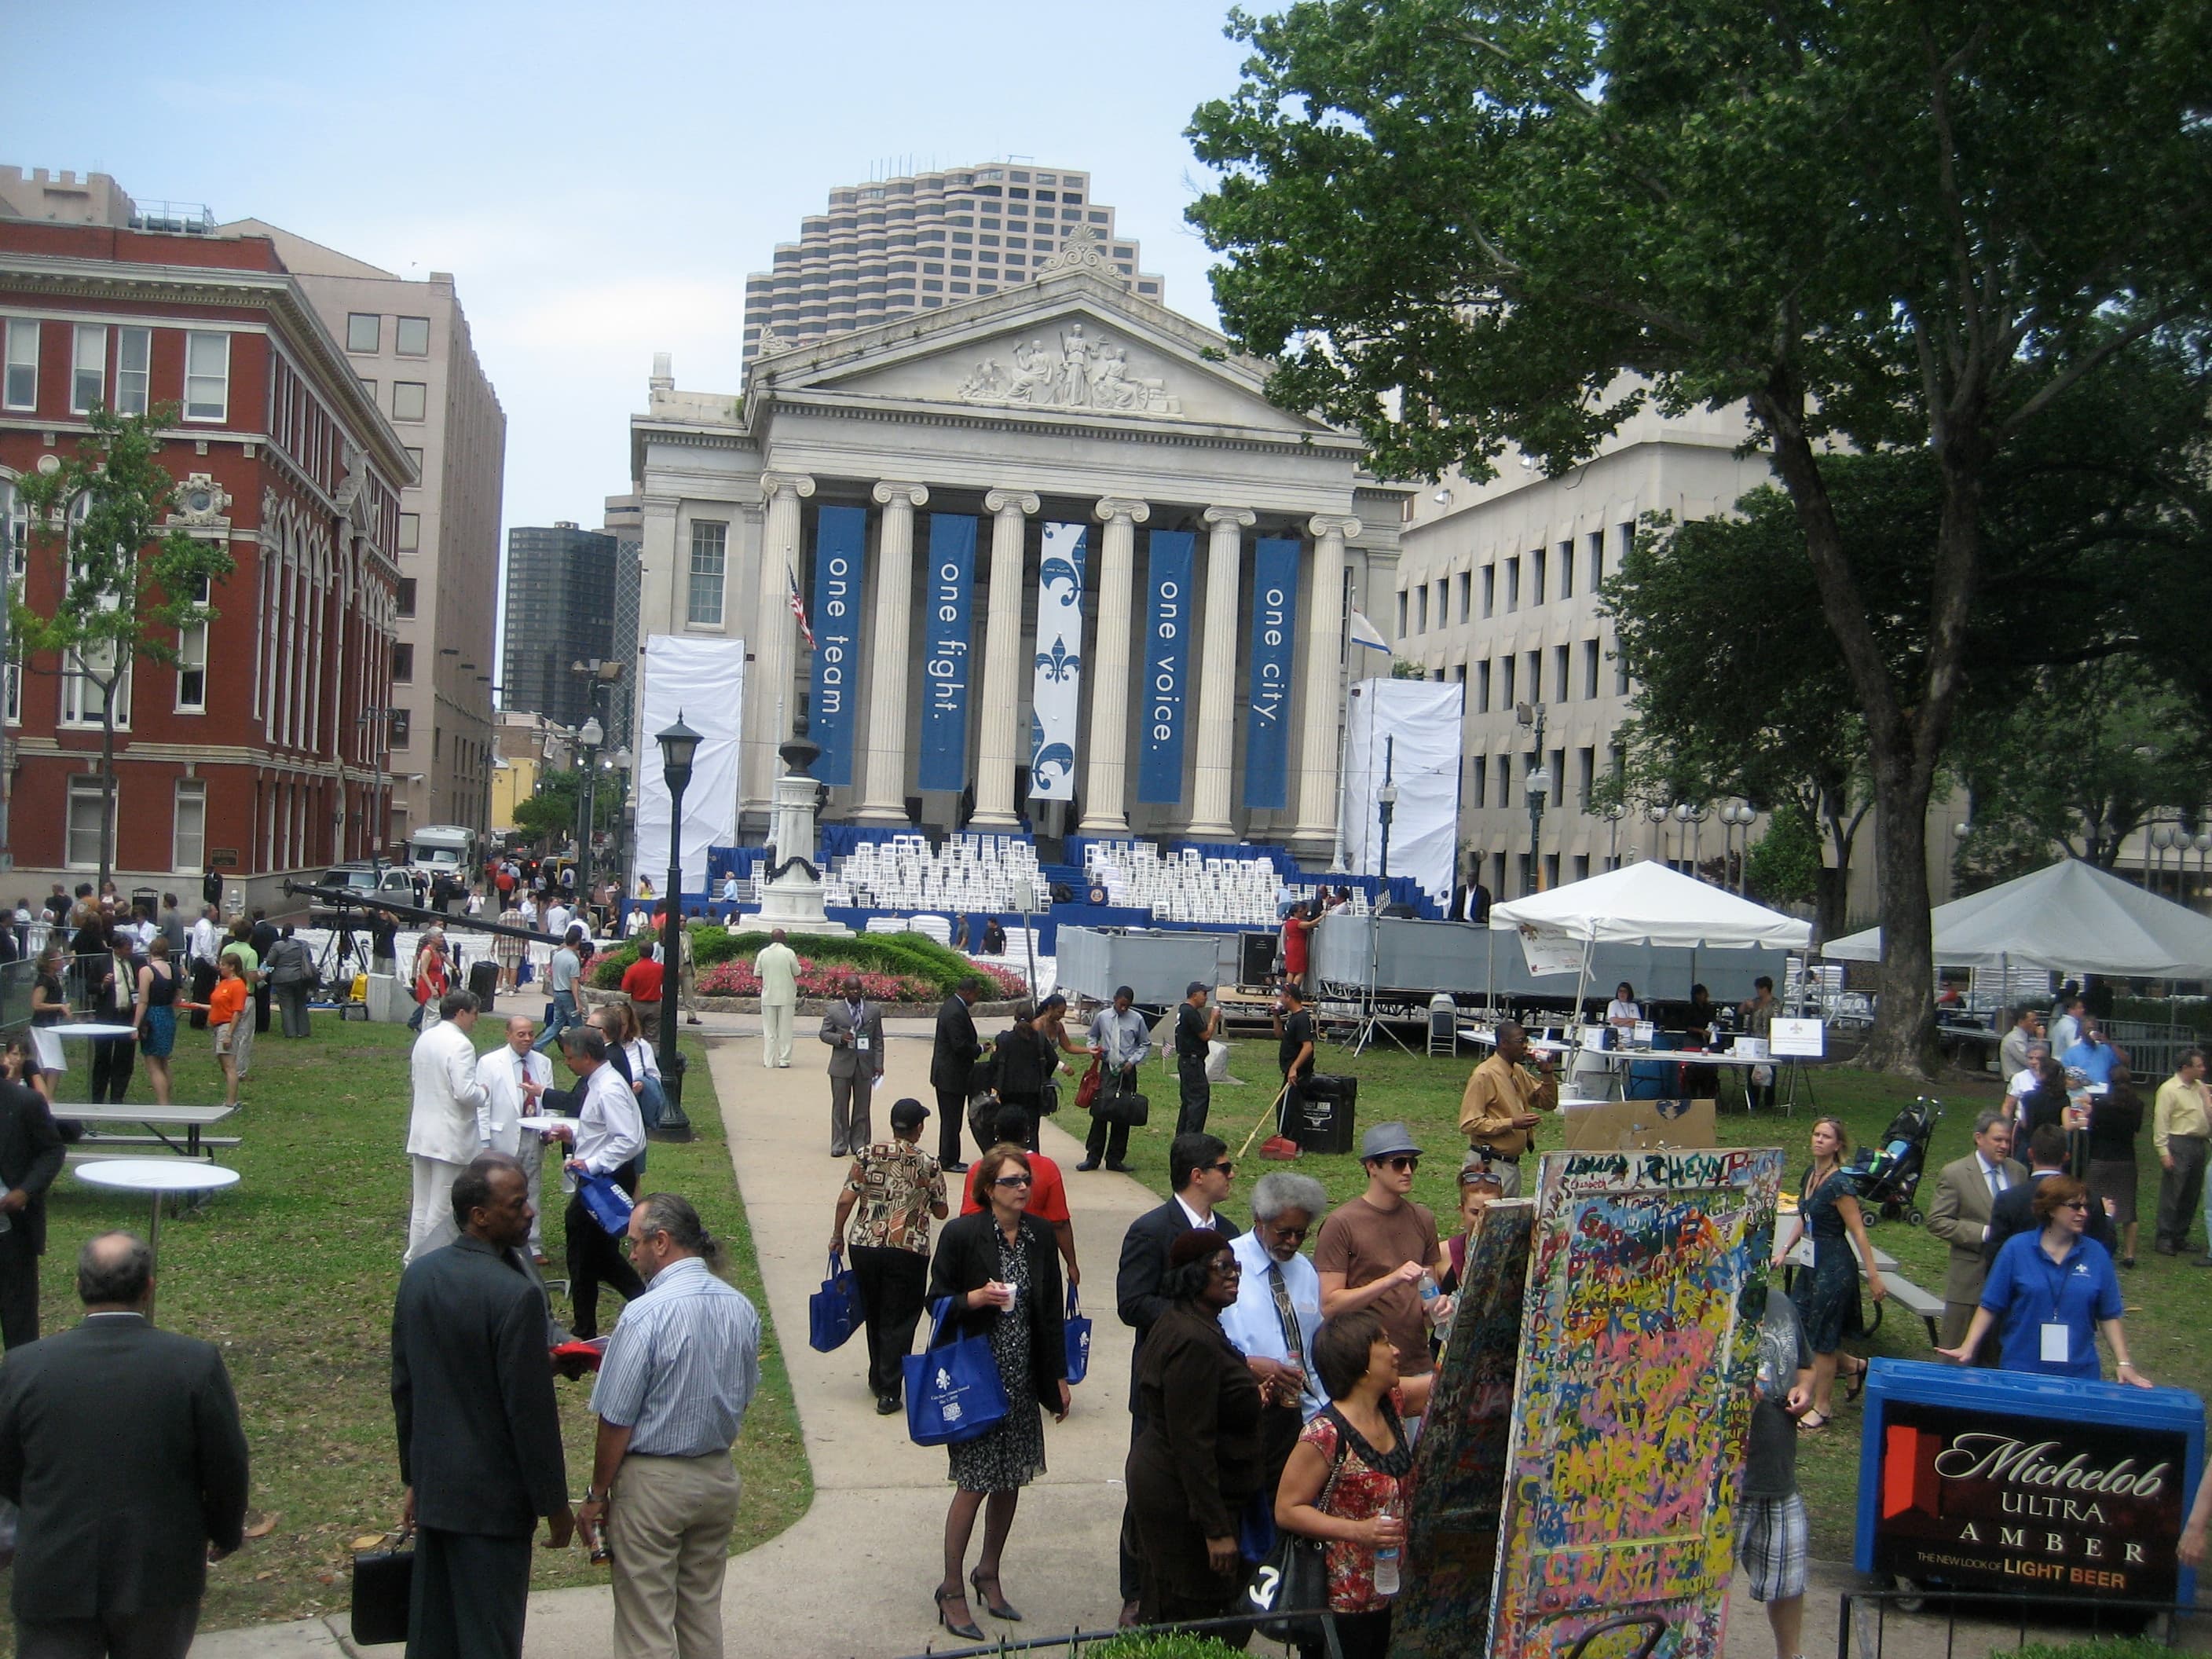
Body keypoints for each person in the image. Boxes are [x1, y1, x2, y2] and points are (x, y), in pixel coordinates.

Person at [0, 1232, 249, 1659]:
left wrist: (42, 1507)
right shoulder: (194, 1363)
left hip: (54, 1572)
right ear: (149, 1288)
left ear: (78, 1287)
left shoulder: (24, 1366)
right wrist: (225, 1531)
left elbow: (6, 1465)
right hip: (156, 1576)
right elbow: (226, 1464)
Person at [390, 1155, 575, 1659]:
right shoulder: (515, 1296)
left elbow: (405, 1389)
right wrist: (555, 1506)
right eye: (516, 1205)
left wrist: (415, 1479)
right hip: (494, 1511)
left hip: (437, 1497)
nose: (530, 1212)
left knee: (435, 1640)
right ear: (480, 1216)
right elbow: (530, 1416)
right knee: (489, 1642)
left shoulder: (419, 1277)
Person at [579, 1193, 760, 1659]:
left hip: (654, 1486)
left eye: (634, 1243)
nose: (631, 1255)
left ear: (661, 1242)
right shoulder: (740, 1307)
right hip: (717, 1477)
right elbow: (744, 1393)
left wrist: (597, 1495)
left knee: (646, 1626)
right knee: (701, 1615)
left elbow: (616, 1419)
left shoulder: (646, 1313)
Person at [925, 1146, 1071, 1643]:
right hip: (976, 1378)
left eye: (1026, 1180)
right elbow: (935, 1301)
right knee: (973, 1482)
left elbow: (1049, 1310)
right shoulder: (962, 1234)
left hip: (1022, 1378)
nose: (1023, 1188)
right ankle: (951, 1588)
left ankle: (988, 1572)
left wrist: (1058, 1378)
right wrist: (974, 1298)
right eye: (1011, 1181)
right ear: (989, 1189)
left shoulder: (1039, 1236)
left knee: (1011, 1479)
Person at [1113, 1133, 1241, 1624]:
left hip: (1211, 1384)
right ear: (1198, 1175)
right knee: (1150, 1491)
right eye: (1225, 1168)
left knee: (1203, 1480)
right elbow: (1132, 1303)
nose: (1232, 1175)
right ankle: (1136, 1589)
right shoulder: (1151, 1230)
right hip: (1161, 1385)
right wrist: (1190, 1320)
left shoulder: (1228, 1231)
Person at [1125, 1230, 1265, 1625]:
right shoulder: (1193, 1341)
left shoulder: (1187, 1322)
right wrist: (1216, 1530)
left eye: (1236, 1267)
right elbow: (1192, 1443)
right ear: (1192, 1274)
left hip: (1168, 1480)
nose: (1233, 1275)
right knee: (1193, 1614)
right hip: (1179, 1496)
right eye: (1223, 1267)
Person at [1273, 1309, 1429, 1659]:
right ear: (1361, 1362)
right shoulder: (1325, 1433)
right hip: (1341, 1603)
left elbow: (1445, 1385)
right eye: (1384, 1343)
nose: (1396, 1351)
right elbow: (1287, 1509)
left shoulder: (1392, 1404)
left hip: (1390, 1592)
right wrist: (1358, 1531)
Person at [1938, 1176, 2150, 1386]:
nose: (2084, 1213)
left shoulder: (2096, 1254)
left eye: (2086, 1207)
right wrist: (1968, 1346)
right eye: (2075, 1206)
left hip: (2079, 1374)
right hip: (2021, 1370)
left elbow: (2109, 1314)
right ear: (2051, 1209)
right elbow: (1990, 1304)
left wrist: (2124, 1363)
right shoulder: (2016, 1249)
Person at [834, 1097, 949, 1414]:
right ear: (919, 1127)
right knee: (901, 1318)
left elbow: (845, 1200)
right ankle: (889, 1390)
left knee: (874, 1310)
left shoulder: (867, 1154)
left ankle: (877, 1375)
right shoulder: (928, 1163)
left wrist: (837, 1235)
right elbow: (941, 1211)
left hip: (865, 1244)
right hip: (907, 1247)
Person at [1218, 1170, 1329, 1493]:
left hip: (1301, 1415)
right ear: (1259, 1220)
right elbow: (1204, 1341)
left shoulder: (1304, 1271)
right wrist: (1248, 1365)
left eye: (1300, 1234)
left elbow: (1312, 1344)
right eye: (1283, 1232)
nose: (1292, 1242)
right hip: (1247, 1411)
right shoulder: (1226, 1265)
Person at [1315, 1123, 1446, 1391]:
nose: (1408, 1171)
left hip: (1418, 1361)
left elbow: (1427, 1296)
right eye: (1398, 1163)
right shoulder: (1341, 1223)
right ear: (1372, 1167)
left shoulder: (1423, 1218)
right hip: (1366, 1372)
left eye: (1412, 1163)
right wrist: (1390, 1280)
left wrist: (1437, 1308)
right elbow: (1330, 1305)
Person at [540, 1026, 649, 1339]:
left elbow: (630, 1139)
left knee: (585, 1249)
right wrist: (573, 1134)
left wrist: (591, 1163)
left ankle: (588, 1325)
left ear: (586, 1056)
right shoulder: (599, 1084)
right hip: (598, 1177)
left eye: (569, 1058)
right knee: (597, 1254)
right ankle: (634, 1305)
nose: (567, 1064)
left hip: (605, 1179)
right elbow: (601, 1130)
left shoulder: (609, 1088)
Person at [1776, 1117, 1884, 1426]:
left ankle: (1822, 1407)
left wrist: (1873, 1275)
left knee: (1823, 1339)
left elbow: (1858, 1231)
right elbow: (1804, 1215)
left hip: (1834, 1266)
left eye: (1826, 1136)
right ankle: (1852, 1366)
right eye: (1816, 1134)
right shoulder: (1810, 1174)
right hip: (1811, 1264)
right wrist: (1785, 1249)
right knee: (1800, 1326)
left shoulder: (1839, 1184)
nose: (1819, 1140)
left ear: (1838, 1145)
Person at [1734, 1288, 1815, 1659]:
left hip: (1777, 1473)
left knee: (1789, 1582)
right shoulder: (1709, 1297)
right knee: (1704, 1590)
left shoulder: (1780, 1303)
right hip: (1722, 1485)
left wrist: (1804, 1390)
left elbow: (1807, 1367)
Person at [1924, 1109, 2027, 1351]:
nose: (2004, 1146)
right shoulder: (1955, 1174)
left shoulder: (2018, 1172)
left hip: (2012, 1279)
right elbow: (1937, 1220)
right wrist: (1983, 1233)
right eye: (1998, 1140)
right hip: (1970, 1279)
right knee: (1956, 1349)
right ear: (1979, 1138)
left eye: (2007, 1141)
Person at [405, 988, 492, 1266]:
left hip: (423, 1130)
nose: (476, 1020)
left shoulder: (425, 1037)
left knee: (422, 1202)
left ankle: (414, 1256)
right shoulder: (461, 1045)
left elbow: (418, 1081)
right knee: (441, 1206)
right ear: (461, 1013)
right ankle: (430, 1260)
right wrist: (484, 1092)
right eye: (474, 1014)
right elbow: (465, 1093)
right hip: (450, 1134)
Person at [961, 1105, 1079, 1291]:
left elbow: (969, 1218)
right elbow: (1060, 1223)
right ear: (1027, 1133)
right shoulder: (1047, 1168)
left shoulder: (981, 1168)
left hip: (987, 1258)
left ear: (996, 1132)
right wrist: (1071, 1263)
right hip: (1035, 1256)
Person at [477, 1014, 554, 1262]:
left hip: (533, 1135)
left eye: (531, 1034)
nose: (527, 1039)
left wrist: (549, 1127)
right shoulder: (490, 1063)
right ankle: (499, 1240)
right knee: (500, 1191)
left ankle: (533, 1245)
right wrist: (485, 1142)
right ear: (508, 1035)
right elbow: (482, 1106)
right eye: (521, 1034)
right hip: (503, 1137)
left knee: (532, 1188)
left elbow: (549, 1099)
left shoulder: (542, 1063)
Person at [0, 1060, 63, 1350]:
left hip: (13, 1232)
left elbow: (51, 1151)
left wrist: (25, 1191)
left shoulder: (24, 1102)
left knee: (19, 1322)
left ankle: (20, 1375)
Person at [1456, 1021, 1558, 1196]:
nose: (1525, 1046)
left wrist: (1547, 1074)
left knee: (1509, 1214)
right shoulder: (1484, 1075)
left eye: (1526, 1041)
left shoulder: (1517, 1071)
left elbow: (1548, 1104)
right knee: (1484, 1213)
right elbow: (1468, 1124)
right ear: (1504, 1043)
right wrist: (1512, 1123)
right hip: (1488, 1166)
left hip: (1511, 1166)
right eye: (1520, 1041)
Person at [1986, 1122, 2117, 1258]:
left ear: (2030, 1154)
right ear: (2066, 1157)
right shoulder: (2089, 1199)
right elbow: (2104, 1250)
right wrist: (2107, 1218)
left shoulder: (2008, 1200)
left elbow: (1995, 1254)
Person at [1080, 985, 1150, 1172]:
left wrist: (1133, 1061)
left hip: (1127, 1071)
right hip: (1107, 1069)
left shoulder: (1137, 1019)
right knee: (1101, 1111)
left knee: (1123, 1112)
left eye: (1128, 1005)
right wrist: (1094, 1049)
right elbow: (1092, 1035)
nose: (1124, 1008)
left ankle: (1115, 1158)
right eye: (1121, 1004)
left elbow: (1144, 1043)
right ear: (1114, 999)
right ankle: (1093, 1157)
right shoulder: (1103, 1017)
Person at [819, 973, 887, 1159]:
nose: (855, 992)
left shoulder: (873, 1010)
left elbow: (878, 1039)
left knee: (862, 1106)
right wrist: (840, 1038)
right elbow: (824, 1034)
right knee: (840, 1106)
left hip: (865, 1064)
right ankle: (839, 1143)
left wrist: (879, 1063)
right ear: (845, 991)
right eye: (851, 989)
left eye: (858, 989)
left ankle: (860, 1143)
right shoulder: (834, 1011)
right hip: (841, 1065)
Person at [2086, 1064, 2146, 1266]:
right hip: (2126, 1160)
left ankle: (2093, 1246)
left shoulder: (2101, 1104)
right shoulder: (2137, 1105)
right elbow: (2136, 1128)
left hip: (2100, 1159)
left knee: (2093, 1205)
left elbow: (2092, 1130)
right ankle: (2129, 1254)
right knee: (2129, 1209)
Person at [2152, 1047, 2209, 1257]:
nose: (2203, 1069)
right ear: (2186, 1067)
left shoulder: (2199, 1087)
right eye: (2199, 1066)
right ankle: (2164, 1237)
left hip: (2198, 1143)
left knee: (2191, 1193)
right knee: (2173, 1193)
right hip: (2179, 1142)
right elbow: (2161, 1121)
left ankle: (2180, 1235)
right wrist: (2163, 1151)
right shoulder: (2169, 1089)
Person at [179, 950, 251, 1107]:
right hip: (217, 1025)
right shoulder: (224, 983)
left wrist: (229, 1034)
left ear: (232, 967)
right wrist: (199, 1006)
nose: (220, 967)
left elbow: (237, 1011)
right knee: (223, 1064)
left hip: (227, 1026)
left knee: (229, 1065)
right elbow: (218, 1005)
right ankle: (230, 1098)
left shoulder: (238, 985)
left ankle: (231, 1101)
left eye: (223, 965)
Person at [930, 977, 986, 1174]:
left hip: (951, 1075)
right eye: (976, 995)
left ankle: (951, 1156)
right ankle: (948, 1159)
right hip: (950, 1076)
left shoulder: (954, 1006)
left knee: (952, 1120)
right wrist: (979, 1049)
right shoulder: (955, 1012)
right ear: (967, 992)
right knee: (951, 1120)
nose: (976, 999)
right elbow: (959, 1046)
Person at [132, 936, 182, 1106]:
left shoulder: (147, 971)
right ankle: (167, 1098)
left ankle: (163, 1103)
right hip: (168, 1014)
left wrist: (136, 1025)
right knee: (164, 1061)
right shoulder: (175, 969)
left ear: (150, 951)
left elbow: (143, 1000)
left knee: (153, 1064)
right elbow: (178, 998)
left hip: (152, 1016)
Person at [1174, 980, 1221, 1139]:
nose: (1206, 997)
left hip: (1187, 1061)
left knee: (1188, 1100)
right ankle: (1192, 1137)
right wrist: (1213, 1019)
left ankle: (1182, 1137)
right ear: (1194, 995)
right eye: (1204, 994)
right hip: (1192, 1062)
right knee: (1199, 1099)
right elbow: (1205, 1035)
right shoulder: (1190, 1012)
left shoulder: (1184, 1010)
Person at [1275, 982, 1317, 1138]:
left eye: (1281, 996)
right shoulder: (1292, 1017)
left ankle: (1295, 1142)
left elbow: (1308, 1047)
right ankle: (1285, 1137)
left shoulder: (1302, 1019)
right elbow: (1279, 1035)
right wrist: (1276, 1016)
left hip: (1298, 1072)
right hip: (1289, 1070)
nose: (1280, 999)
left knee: (1293, 1108)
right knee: (1283, 1106)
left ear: (1289, 997)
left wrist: (1294, 1068)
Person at [755, 928, 800, 1070]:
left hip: (768, 995)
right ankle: (784, 1060)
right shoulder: (789, 953)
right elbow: (797, 972)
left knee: (769, 1031)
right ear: (783, 938)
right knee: (785, 1029)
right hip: (786, 995)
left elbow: (757, 973)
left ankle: (768, 1061)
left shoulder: (763, 953)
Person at [535, 926, 585, 1053]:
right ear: (578, 942)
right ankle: (579, 1051)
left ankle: (538, 1045)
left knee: (557, 1023)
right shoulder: (573, 960)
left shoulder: (558, 955)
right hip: (567, 994)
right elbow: (574, 982)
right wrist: (578, 1003)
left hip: (557, 993)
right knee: (577, 1026)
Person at [265, 923, 315, 1039]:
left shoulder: (277, 945)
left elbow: (270, 962)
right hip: (300, 977)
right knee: (301, 1004)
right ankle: (304, 1031)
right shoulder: (302, 944)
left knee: (287, 1006)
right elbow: (309, 959)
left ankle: (290, 1032)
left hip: (282, 979)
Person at [1740, 976, 1779, 1111]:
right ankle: (1753, 1101)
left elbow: (1776, 1023)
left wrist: (1769, 1042)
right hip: (1753, 1042)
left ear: (1765, 989)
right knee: (1753, 1072)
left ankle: (1769, 1103)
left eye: (1759, 989)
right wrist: (1745, 1005)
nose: (1757, 991)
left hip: (1767, 1041)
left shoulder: (1775, 1004)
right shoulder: (1755, 1002)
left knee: (1769, 1073)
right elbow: (1741, 1012)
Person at [620, 950, 665, 1050]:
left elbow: (626, 989)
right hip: (655, 1005)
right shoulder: (660, 968)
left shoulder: (633, 968)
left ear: (639, 952)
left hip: (637, 1005)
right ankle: (652, 1056)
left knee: (636, 1034)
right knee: (653, 1037)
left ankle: (637, 1055)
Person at [411, 930, 450, 1034]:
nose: (442, 939)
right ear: (432, 939)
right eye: (440, 937)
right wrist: (432, 988)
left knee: (428, 1012)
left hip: (436, 983)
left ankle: (425, 1034)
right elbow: (423, 971)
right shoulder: (427, 952)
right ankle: (430, 1034)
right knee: (435, 1012)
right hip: (428, 985)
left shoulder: (437, 952)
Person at [1280, 899, 1319, 992]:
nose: (1302, 913)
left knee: (1291, 970)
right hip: (1298, 947)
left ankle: (1288, 990)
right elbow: (1310, 924)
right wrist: (1322, 917)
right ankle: (1294, 990)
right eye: (1300, 912)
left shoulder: (1288, 923)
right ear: (1295, 913)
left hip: (1290, 946)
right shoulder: (1297, 923)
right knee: (1300, 970)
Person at [1998, 1005, 2042, 1082]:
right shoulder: (2015, 1039)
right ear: (2021, 1022)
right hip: (2017, 1082)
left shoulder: (2022, 1037)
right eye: (2032, 1021)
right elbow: (2031, 1062)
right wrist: (2040, 1039)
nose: (2036, 1023)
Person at [2049, 994, 2086, 1060]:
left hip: (2056, 1059)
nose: (2083, 1010)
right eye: (2080, 1008)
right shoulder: (2071, 1027)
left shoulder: (2060, 1023)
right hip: (2065, 1062)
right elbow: (2073, 1047)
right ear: (2071, 1010)